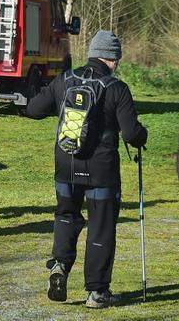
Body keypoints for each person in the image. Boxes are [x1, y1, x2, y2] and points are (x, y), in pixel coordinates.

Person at [25, 30, 148, 309]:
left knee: (66, 217)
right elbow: (131, 134)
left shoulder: (65, 80)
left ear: (92, 54)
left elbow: (33, 109)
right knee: (101, 229)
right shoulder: (117, 89)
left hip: (66, 166)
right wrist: (143, 135)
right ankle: (97, 293)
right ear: (113, 59)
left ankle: (59, 266)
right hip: (101, 172)